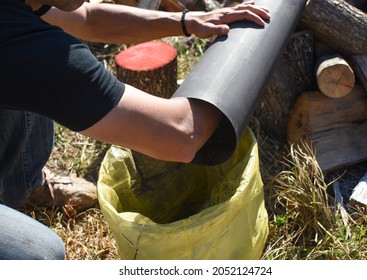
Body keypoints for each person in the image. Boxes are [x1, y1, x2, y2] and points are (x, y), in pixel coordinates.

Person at [0, 0, 270, 259]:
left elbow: (89, 19)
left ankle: (21, 184)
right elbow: (183, 134)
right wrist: (242, 66)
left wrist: (188, 21)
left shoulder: (25, 8)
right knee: (38, 254)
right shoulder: (25, 45)